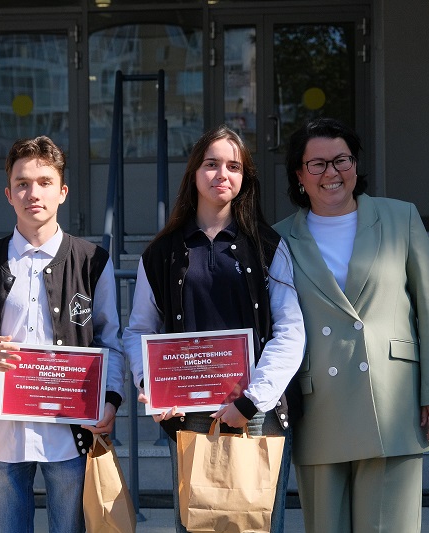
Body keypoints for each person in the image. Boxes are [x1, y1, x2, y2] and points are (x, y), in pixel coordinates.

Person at [273, 117, 429, 533]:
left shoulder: (400, 217)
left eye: (341, 160)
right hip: (318, 406)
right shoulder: (278, 238)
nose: (332, 172)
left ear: (355, 165)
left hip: (392, 402)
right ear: (299, 175)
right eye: (317, 164)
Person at [123, 125, 306, 533]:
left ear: (244, 179)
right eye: (211, 164)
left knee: (258, 526)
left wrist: (251, 402)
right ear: (194, 173)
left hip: (257, 413)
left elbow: (290, 331)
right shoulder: (161, 252)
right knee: (196, 526)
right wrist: (151, 384)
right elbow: (138, 330)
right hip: (188, 415)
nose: (222, 174)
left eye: (233, 166)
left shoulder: (268, 246)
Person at [0, 135, 126, 533]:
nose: (33, 193)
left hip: (69, 433)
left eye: (45, 182)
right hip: (2, 433)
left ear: (62, 192)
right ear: (8, 194)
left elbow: (109, 340)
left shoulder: (92, 261)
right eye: (22, 183)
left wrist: (111, 399)